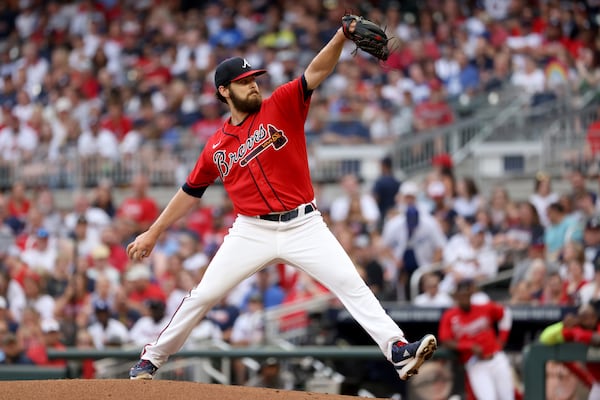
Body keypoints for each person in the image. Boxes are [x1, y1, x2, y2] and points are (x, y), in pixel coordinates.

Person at [127, 18, 437, 381]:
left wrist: (340, 36)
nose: (253, 84)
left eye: (254, 79)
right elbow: (190, 191)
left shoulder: (282, 104)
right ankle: (152, 358)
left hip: (304, 223)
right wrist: (153, 232)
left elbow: (315, 72)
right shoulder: (215, 146)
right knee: (203, 295)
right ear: (225, 91)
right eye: (244, 82)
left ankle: (398, 350)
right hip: (251, 230)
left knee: (351, 285)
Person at [438, 279, 515, 400]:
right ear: (456, 297)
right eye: (461, 295)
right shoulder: (449, 315)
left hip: (496, 359)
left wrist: (502, 340)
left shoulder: (484, 307)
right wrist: (469, 346)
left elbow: (505, 313)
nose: (464, 298)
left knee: (507, 397)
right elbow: (445, 341)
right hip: (475, 363)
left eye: (467, 295)